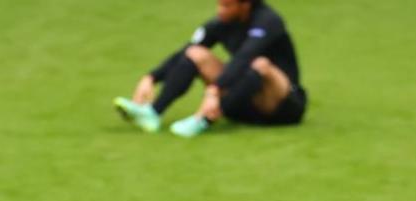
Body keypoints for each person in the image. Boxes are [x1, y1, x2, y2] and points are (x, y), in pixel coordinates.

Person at [113, 0, 306, 139]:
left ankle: (203, 120)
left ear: (245, 5)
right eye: (219, 4)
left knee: (260, 64)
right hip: (243, 103)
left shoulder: (268, 21)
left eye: (226, 5)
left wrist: (214, 89)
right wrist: (151, 77)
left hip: (283, 108)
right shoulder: (220, 24)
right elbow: (184, 51)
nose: (220, 10)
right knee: (196, 53)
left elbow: (244, 57)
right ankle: (153, 113)